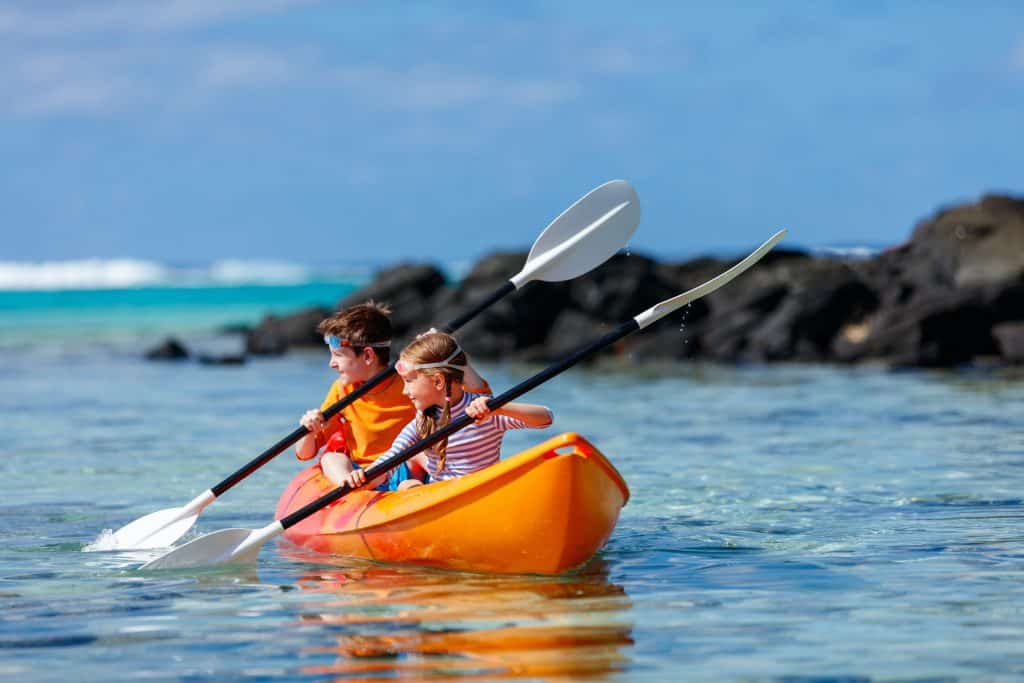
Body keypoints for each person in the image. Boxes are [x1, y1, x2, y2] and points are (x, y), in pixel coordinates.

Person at [295, 303, 488, 490]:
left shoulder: (410, 383)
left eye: (338, 355)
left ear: (368, 356)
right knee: (330, 458)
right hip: (362, 474)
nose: (332, 364)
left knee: (419, 455)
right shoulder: (341, 390)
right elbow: (305, 454)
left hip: (405, 468)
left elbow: (481, 397)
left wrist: (451, 353)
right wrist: (309, 431)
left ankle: (413, 493)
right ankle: (351, 489)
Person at [344, 331, 553, 491]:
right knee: (407, 487)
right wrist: (362, 475)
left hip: (481, 492)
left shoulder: (485, 410)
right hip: (441, 495)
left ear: (437, 381)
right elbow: (392, 457)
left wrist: (499, 407)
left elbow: (546, 418)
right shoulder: (423, 420)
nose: (405, 390)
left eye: (409, 382)